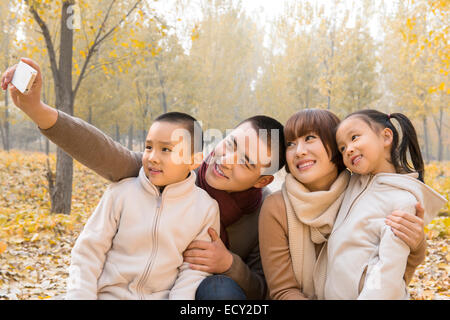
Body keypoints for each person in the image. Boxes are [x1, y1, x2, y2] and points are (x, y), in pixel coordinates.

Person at [1, 58, 285, 300]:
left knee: (220, 289)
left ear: (262, 181)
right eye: (231, 143)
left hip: (194, 293)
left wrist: (228, 263)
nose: (227, 160)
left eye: (246, 162)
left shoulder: (264, 211)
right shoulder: (161, 171)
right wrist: (36, 109)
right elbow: (103, 152)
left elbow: (262, 289)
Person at [258, 109, 430, 300]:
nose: (299, 151)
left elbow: (389, 277)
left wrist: (416, 244)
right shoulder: (277, 207)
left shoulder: (363, 192)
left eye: (309, 138)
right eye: (290, 143)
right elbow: (283, 291)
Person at [66, 111, 220, 299]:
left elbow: (193, 270)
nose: (152, 157)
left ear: (193, 160)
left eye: (166, 149)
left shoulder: (205, 208)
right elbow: (88, 252)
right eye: (148, 147)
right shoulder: (120, 194)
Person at [319, 110, 446, 299]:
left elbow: (388, 273)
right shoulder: (353, 184)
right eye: (342, 148)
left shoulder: (402, 202)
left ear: (386, 137)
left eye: (354, 138)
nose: (349, 149)